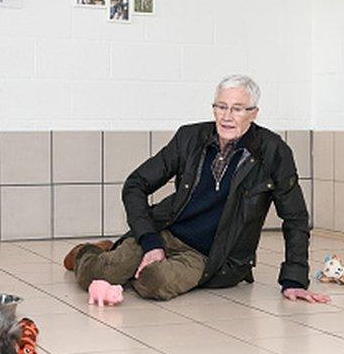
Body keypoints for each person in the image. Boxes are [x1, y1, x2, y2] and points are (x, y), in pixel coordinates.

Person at [63, 75, 329, 303]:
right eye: (221, 107)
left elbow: (295, 217)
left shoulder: (273, 151)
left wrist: (294, 279)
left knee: (153, 282)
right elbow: (135, 184)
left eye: (237, 109)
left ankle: (125, 261)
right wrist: (150, 242)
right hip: (164, 233)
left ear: (254, 113)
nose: (227, 116)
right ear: (213, 108)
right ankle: (89, 252)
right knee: (95, 275)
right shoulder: (189, 138)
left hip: (210, 256)